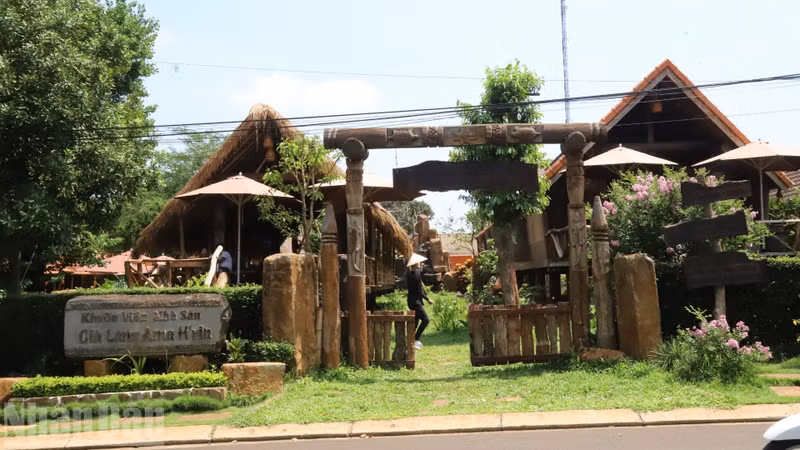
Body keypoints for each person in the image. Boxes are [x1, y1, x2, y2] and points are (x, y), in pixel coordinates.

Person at [406, 254, 432, 350]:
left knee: (415, 322)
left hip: (411, 301)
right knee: (425, 320)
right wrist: (428, 299)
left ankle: (411, 342)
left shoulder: (409, 275)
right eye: (418, 262)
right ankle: (415, 339)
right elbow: (418, 291)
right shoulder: (416, 275)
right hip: (416, 302)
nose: (420, 264)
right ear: (414, 264)